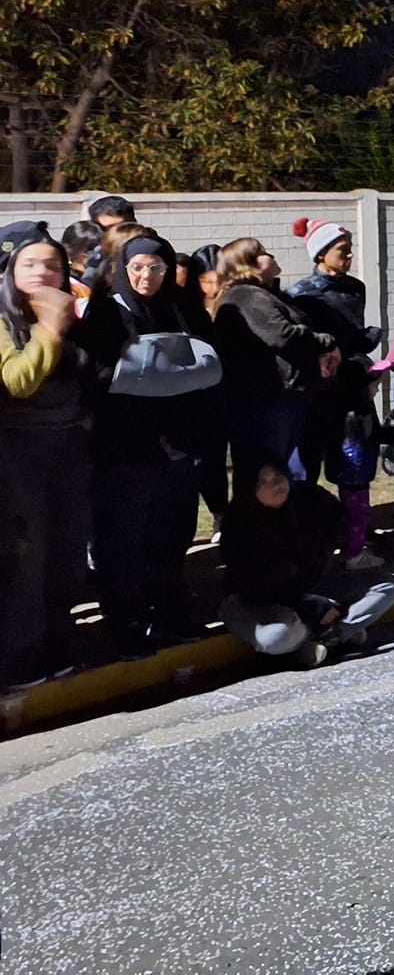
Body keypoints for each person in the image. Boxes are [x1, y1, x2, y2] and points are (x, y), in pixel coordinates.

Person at [78, 232, 223, 658]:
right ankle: (126, 626)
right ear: (123, 268)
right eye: (138, 267)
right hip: (124, 449)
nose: (147, 276)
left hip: (176, 446)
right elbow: (97, 375)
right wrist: (153, 373)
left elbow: (207, 364)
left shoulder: (179, 308)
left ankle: (171, 617)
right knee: (122, 543)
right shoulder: (106, 313)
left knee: (171, 538)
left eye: (156, 268)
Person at [0, 223, 96, 690]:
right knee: (26, 557)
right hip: (18, 454)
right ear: (9, 270)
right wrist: (48, 329)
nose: (43, 272)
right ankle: (18, 657)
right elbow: (17, 381)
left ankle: (59, 642)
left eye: (53, 264)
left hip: (69, 446)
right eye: (29, 263)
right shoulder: (5, 319)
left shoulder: (74, 310)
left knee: (67, 553)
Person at [219, 462, 394, 665]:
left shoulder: (309, 499)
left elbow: (342, 526)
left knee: (386, 586)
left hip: (314, 587)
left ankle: (331, 637)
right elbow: (256, 587)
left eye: (279, 477)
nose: (276, 484)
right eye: (264, 482)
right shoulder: (240, 523)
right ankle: (326, 636)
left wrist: (350, 544)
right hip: (260, 601)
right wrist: (313, 606)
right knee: (276, 637)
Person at [287, 219, 386, 569]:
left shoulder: (355, 288)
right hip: (319, 396)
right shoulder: (302, 295)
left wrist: (365, 345)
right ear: (320, 254)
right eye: (342, 250)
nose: (349, 255)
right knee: (306, 471)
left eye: (350, 249)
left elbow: (352, 336)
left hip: (353, 391)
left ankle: (355, 543)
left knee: (355, 467)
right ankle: (306, 544)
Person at [210, 238, 341, 498]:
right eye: (262, 253)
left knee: (276, 472)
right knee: (266, 473)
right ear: (247, 263)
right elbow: (283, 335)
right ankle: (259, 532)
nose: (271, 255)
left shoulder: (264, 295)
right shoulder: (247, 295)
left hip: (278, 399)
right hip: (267, 402)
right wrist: (325, 341)